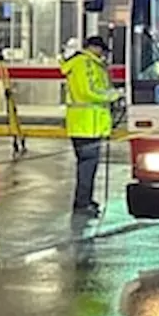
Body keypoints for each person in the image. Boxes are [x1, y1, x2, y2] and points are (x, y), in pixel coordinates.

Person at [59, 36, 122, 216]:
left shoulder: (92, 64)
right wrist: (114, 96)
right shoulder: (83, 63)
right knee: (87, 165)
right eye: (101, 50)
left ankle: (85, 199)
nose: (103, 54)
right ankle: (82, 203)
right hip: (86, 124)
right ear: (93, 48)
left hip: (89, 124)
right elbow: (88, 92)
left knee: (88, 166)